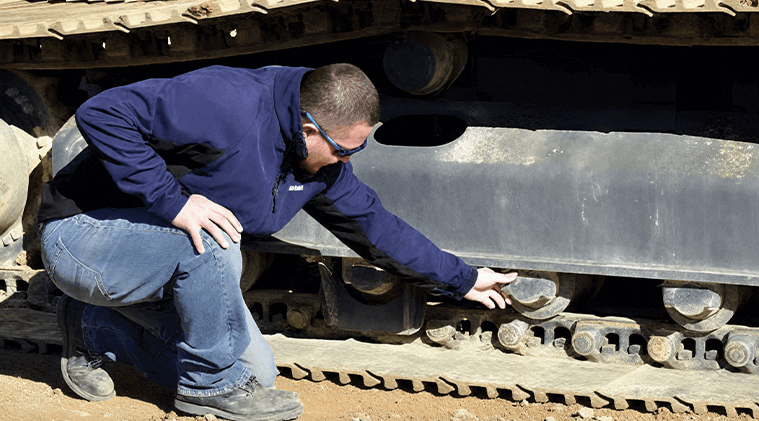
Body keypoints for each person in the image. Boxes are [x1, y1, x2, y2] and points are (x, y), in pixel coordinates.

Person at [37, 63, 516, 421]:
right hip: (82, 236)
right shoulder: (227, 102)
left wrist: (463, 278)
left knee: (255, 375)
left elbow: (376, 227)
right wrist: (175, 203)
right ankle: (205, 387)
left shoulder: (320, 164)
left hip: (164, 259)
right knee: (214, 235)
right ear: (309, 128)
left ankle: (97, 328)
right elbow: (102, 113)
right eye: (345, 149)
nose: (347, 161)